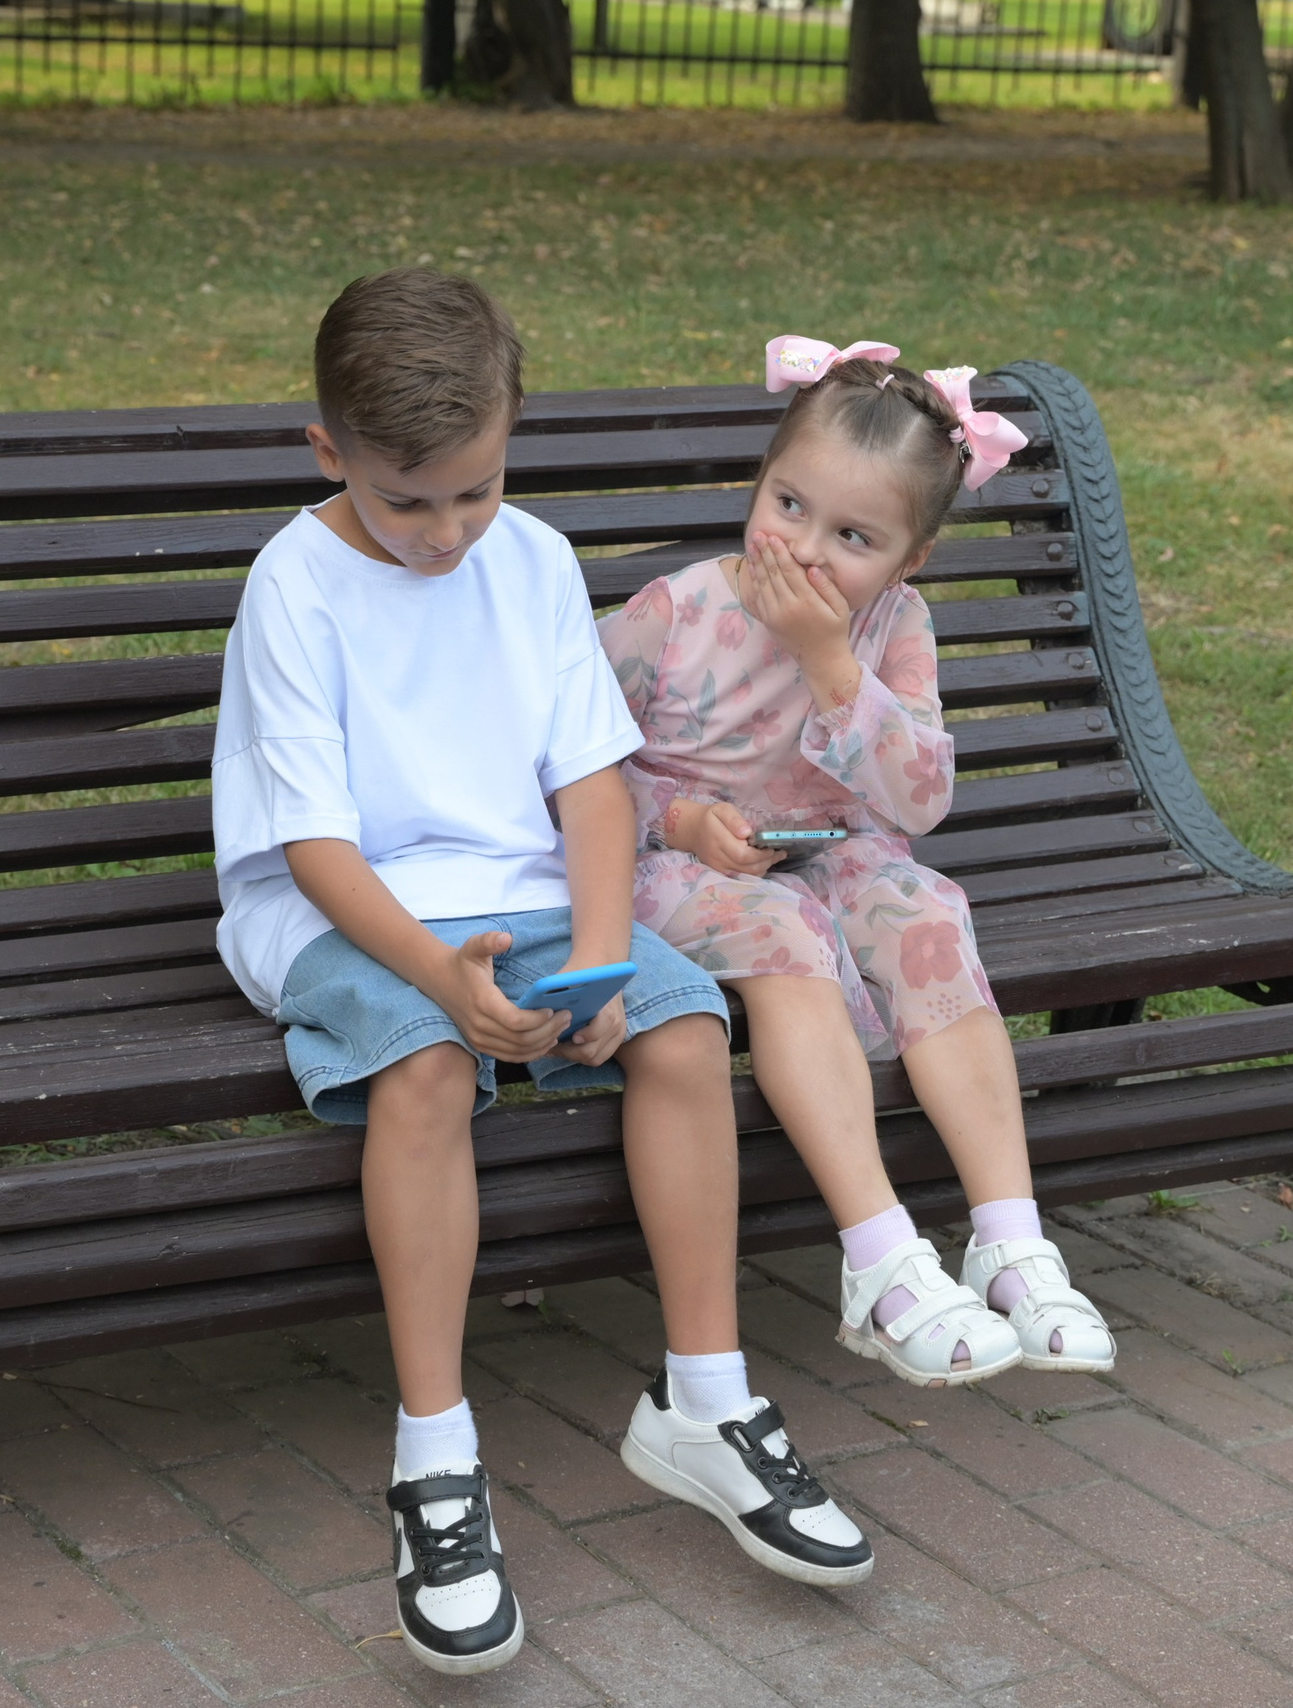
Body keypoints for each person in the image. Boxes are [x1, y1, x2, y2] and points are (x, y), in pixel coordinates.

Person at [212, 278, 872, 1679]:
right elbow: (316, 847)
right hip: (344, 911)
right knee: (427, 1057)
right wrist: (440, 979)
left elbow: (589, 786)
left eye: (477, 489)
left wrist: (596, 955)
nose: (449, 530)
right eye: (409, 501)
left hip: (523, 894)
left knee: (682, 1030)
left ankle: (705, 1400)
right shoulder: (294, 585)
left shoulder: (530, 558)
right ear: (328, 450)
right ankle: (436, 1457)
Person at [597, 334, 1119, 1392]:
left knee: (923, 918)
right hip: (673, 860)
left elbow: (919, 801)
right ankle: (879, 1255)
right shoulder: (675, 612)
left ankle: (1010, 1238)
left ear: (908, 558)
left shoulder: (894, 624)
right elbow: (568, 768)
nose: (804, 549)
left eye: (852, 536)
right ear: (760, 480)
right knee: (784, 927)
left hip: (829, 848)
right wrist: (685, 819)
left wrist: (832, 661)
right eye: (788, 504)